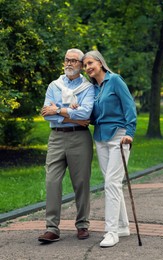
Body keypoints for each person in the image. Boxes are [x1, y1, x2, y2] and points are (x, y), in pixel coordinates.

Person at [38, 48, 94, 243]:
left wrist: (59, 110)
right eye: (66, 60)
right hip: (56, 138)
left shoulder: (87, 88)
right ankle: (52, 228)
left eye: (74, 61)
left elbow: (86, 113)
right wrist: (72, 115)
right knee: (52, 181)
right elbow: (47, 114)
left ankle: (82, 225)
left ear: (81, 65)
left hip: (80, 139)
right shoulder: (54, 85)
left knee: (81, 183)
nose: (69, 63)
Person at [83, 50, 137, 248]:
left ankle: (111, 232)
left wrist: (130, 132)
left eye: (90, 63)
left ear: (100, 62)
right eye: (85, 65)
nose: (88, 68)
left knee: (111, 183)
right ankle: (123, 226)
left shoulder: (115, 80)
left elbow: (130, 107)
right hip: (100, 138)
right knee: (112, 183)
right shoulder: (93, 89)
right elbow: (95, 117)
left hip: (119, 136)